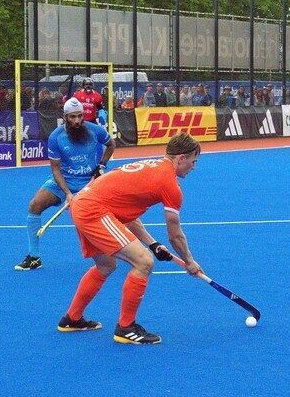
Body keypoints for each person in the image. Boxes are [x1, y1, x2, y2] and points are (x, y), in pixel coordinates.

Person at [56, 132, 202, 345]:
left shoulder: (152, 166)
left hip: (83, 204)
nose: (193, 167)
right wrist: (189, 261)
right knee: (143, 262)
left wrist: (152, 243)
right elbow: (175, 234)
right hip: (93, 210)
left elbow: (126, 215)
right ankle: (126, 327)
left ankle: (72, 319)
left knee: (105, 266)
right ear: (181, 158)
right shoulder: (169, 183)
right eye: (192, 161)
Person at [15, 97, 115, 271]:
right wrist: (68, 194)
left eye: (79, 116)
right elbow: (55, 170)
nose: (77, 121)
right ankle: (34, 257)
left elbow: (111, 144)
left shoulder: (95, 131)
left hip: (90, 182)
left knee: (113, 212)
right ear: (65, 117)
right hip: (64, 180)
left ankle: (123, 248)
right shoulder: (56, 137)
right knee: (35, 205)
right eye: (72, 117)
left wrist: (101, 165)